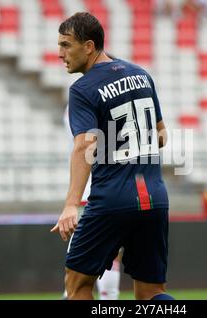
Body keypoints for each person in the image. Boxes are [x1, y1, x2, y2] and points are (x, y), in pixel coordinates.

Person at [51, 12, 173, 301]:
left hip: (113, 199)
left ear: (89, 46)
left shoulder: (83, 89)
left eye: (66, 45)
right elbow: (162, 135)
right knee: (151, 292)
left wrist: (70, 205)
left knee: (77, 284)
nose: (60, 54)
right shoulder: (142, 75)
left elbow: (84, 147)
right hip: (155, 197)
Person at [62, 106, 121, 300]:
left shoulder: (81, 102)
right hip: (102, 187)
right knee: (109, 254)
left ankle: (73, 294)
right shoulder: (92, 101)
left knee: (82, 260)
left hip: (93, 189)